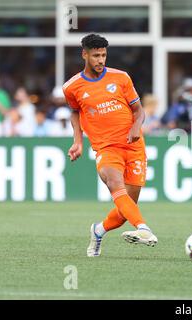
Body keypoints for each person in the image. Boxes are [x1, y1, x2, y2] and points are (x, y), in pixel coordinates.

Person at [62, 33, 158, 257]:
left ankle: (98, 230)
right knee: (115, 183)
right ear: (84, 55)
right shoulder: (72, 87)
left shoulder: (121, 78)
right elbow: (75, 113)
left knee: (126, 208)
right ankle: (144, 229)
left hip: (134, 146)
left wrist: (136, 126)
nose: (100, 60)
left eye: (104, 55)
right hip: (106, 148)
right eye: (96, 55)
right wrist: (78, 140)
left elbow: (139, 110)